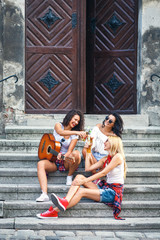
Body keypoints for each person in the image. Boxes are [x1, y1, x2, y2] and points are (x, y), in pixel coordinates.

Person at [37, 136, 127, 219]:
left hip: (113, 192)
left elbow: (102, 173)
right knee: (79, 176)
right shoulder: (106, 158)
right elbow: (88, 168)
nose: (104, 142)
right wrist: (88, 151)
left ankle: (54, 211)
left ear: (113, 143)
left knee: (81, 191)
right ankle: (65, 201)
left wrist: (83, 181)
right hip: (106, 187)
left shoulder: (118, 157)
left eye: (107, 140)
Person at [36, 109, 86, 202]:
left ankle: (69, 176)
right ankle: (44, 194)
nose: (76, 122)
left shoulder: (74, 136)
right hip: (53, 160)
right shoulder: (58, 125)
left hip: (64, 160)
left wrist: (64, 157)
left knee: (76, 154)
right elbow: (61, 132)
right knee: (40, 164)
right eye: (74, 119)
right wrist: (77, 132)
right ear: (69, 117)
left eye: (78, 121)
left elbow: (69, 150)